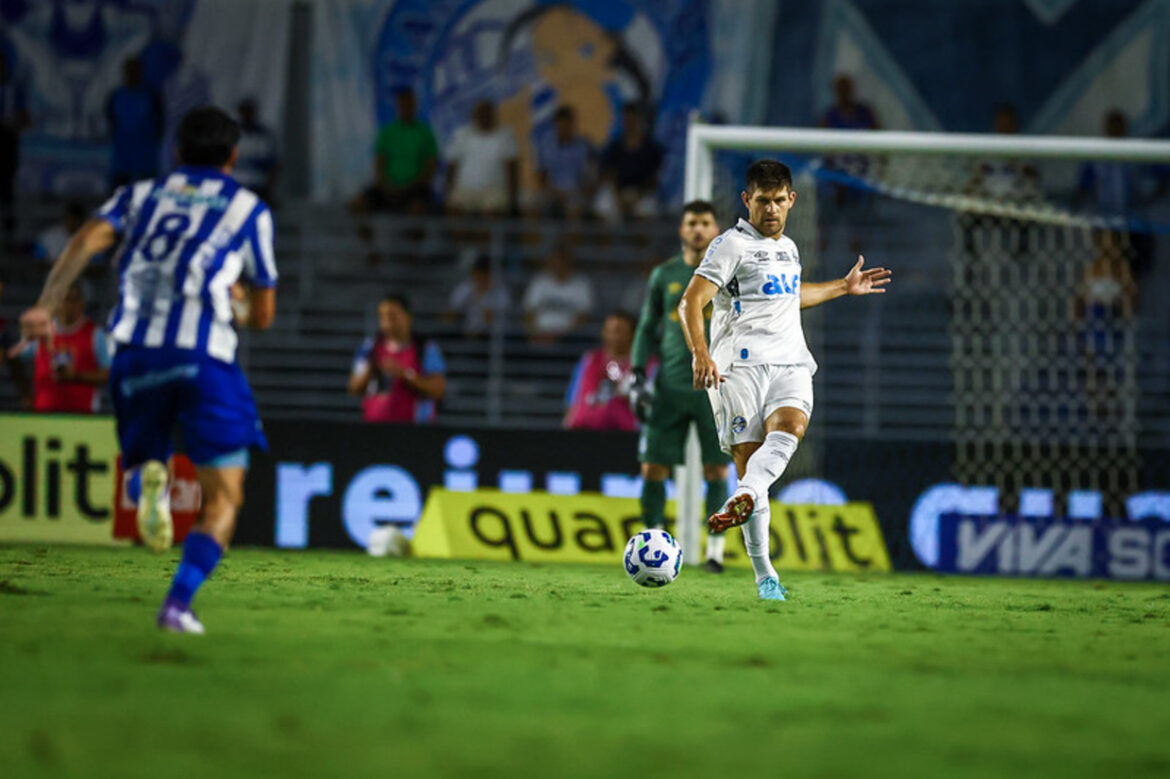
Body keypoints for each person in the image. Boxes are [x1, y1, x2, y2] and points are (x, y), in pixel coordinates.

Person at [13, 106, 278, 633]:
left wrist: (46, 304)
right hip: (204, 356)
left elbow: (84, 242)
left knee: (138, 464)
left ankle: (144, 483)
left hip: (134, 352)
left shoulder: (138, 196)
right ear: (232, 158)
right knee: (223, 498)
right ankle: (177, 605)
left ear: (176, 154)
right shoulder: (248, 208)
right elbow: (264, 317)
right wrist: (242, 304)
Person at [678, 160, 891, 600]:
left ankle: (746, 494)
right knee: (751, 462)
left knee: (792, 428)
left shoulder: (789, 248)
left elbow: (790, 297)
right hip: (737, 370)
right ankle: (765, 575)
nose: (771, 209)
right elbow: (690, 302)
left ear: (791, 200)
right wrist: (700, 354)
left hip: (790, 363)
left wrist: (841, 288)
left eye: (778, 200)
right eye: (762, 201)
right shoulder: (730, 245)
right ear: (747, 200)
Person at [629, 201, 732, 573]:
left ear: (716, 228)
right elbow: (645, 327)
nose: (698, 229)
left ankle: (716, 553)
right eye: (692, 223)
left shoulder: (731, 273)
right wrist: (637, 373)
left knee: (717, 471)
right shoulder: (665, 274)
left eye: (705, 222)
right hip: (669, 387)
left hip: (716, 389)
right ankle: (652, 546)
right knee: (652, 467)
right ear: (681, 230)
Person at [349, 294, 446, 423]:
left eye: (393, 316)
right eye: (382, 317)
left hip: (414, 430)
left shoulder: (425, 348)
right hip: (374, 428)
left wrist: (405, 374)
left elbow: (438, 390)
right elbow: (354, 387)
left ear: (408, 317)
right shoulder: (370, 348)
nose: (387, 323)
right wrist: (372, 368)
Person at [16, 281, 110, 412]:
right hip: (43, 414)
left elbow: (107, 374)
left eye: (74, 299)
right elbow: (16, 358)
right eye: (64, 299)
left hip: (83, 416)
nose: (68, 305)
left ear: (82, 303)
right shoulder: (39, 333)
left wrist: (76, 376)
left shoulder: (96, 335)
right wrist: (25, 393)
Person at [353, 87, 438, 215]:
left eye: (410, 104)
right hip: (388, 188)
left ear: (415, 106)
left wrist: (408, 187)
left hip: (415, 189)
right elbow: (379, 165)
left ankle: (414, 235)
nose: (406, 108)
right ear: (397, 107)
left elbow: (430, 169)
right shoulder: (387, 132)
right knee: (357, 204)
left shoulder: (426, 133)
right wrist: (387, 187)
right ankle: (366, 235)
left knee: (417, 209)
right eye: (403, 105)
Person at [564, 311, 639, 431]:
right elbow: (574, 400)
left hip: (629, 434)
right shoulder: (589, 360)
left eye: (618, 330)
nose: (612, 335)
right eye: (608, 330)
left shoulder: (645, 364)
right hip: (588, 430)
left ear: (633, 334)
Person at [445, 101, 518, 215]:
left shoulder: (505, 135)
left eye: (487, 114)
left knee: (493, 214)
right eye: (481, 114)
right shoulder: (462, 135)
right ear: (475, 117)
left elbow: (512, 168)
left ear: (493, 115)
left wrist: (513, 198)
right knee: (454, 211)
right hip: (465, 190)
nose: (484, 117)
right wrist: (448, 192)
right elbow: (452, 166)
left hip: (494, 191)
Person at [597, 103, 663, 222]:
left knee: (646, 210)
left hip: (642, 194)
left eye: (633, 120)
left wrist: (638, 195)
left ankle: (641, 239)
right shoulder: (615, 146)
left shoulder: (651, 148)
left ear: (640, 120)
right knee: (603, 206)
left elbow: (655, 178)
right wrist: (618, 196)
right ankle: (606, 240)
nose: (630, 124)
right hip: (618, 192)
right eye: (627, 120)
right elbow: (609, 173)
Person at [105, 57, 165, 187]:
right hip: (123, 153)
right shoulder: (116, 95)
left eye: (135, 70)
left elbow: (161, 121)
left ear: (141, 72)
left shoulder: (151, 95)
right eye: (129, 70)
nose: (132, 74)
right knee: (119, 189)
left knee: (147, 189)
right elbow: (111, 120)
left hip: (145, 154)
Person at [522, 244, 594, 343]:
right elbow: (529, 313)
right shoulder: (539, 281)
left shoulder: (581, 283)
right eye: (555, 260)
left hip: (568, 339)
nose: (558, 264)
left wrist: (560, 336)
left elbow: (584, 316)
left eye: (562, 260)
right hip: (539, 336)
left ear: (569, 262)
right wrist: (535, 333)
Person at [535, 106, 596, 219]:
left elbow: (591, 178)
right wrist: (552, 192)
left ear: (573, 125)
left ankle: (572, 235)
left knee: (574, 209)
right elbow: (542, 178)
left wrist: (578, 193)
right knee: (532, 207)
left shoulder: (584, 147)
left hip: (577, 193)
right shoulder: (547, 147)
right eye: (560, 127)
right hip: (554, 193)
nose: (563, 130)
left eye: (567, 127)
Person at [0, 50, 30, 241]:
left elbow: (25, 117)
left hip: (7, 137)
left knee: (7, 182)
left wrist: (16, 122)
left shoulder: (14, 88)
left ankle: (9, 227)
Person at [446, 254, 511, 337]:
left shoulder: (501, 293)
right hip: (466, 334)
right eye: (477, 274)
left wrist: (478, 298)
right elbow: (449, 316)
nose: (479, 279)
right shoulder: (466, 287)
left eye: (483, 275)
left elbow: (489, 320)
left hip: (492, 337)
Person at [234, 98, 279, 203]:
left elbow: (274, 165)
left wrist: (269, 189)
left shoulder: (264, 136)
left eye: (249, 112)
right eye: (244, 112)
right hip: (234, 184)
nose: (247, 116)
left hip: (257, 186)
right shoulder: (232, 133)